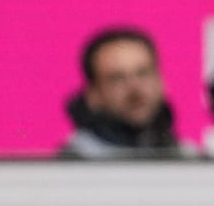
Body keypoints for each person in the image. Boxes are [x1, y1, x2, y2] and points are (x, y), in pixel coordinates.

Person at [60, 27, 195, 158]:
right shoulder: (71, 166)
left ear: (161, 81)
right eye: (117, 78)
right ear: (93, 94)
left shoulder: (186, 158)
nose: (134, 87)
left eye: (143, 73)